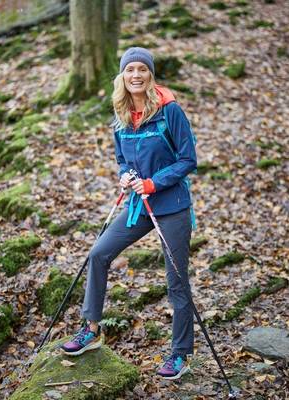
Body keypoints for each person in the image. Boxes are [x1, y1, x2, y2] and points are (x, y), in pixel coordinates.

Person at [61, 47, 197, 380]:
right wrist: (124, 174)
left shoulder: (169, 111)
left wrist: (152, 183)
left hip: (171, 207)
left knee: (176, 281)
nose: (136, 75)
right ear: (122, 76)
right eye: (130, 70)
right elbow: (122, 159)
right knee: (98, 254)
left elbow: (188, 159)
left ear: (150, 75)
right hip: (138, 206)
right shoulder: (120, 115)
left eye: (142, 70)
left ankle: (181, 354)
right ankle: (91, 329)